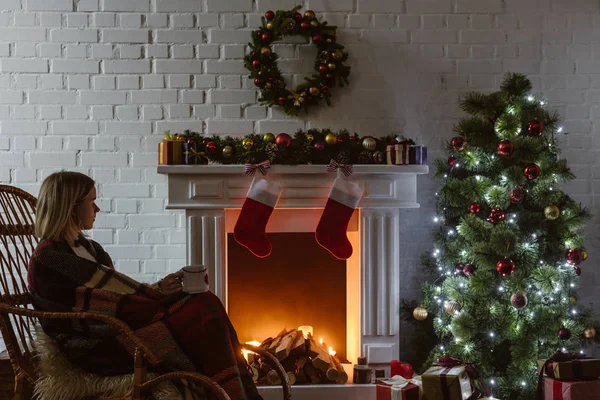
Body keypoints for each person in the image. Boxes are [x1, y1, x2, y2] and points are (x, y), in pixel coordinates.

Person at [28, 171, 263, 400]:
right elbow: (94, 314)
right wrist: (155, 297)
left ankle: (233, 390)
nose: (97, 209)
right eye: (92, 202)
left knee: (203, 302)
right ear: (72, 208)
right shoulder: (51, 258)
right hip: (95, 347)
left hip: (119, 328)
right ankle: (236, 393)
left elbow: (115, 297)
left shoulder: (90, 248)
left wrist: (160, 289)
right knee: (202, 309)